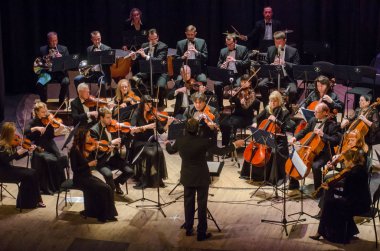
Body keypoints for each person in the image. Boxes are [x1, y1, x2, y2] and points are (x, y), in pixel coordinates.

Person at [165, 118, 245, 241]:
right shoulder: (204, 142)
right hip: (202, 177)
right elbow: (221, 152)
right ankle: (201, 234)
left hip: (187, 176)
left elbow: (170, 151)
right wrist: (235, 145)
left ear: (186, 129)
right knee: (202, 205)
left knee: (188, 203)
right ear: (198, 129)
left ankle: (189, 228)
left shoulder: (180, 140)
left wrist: (167, 144)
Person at [309, 130, 371, 244]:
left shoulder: (357, 163)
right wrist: (334, 168)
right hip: (359, 197)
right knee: (330, 196)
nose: (350, 142)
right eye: (349, 140)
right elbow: (348, 180)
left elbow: (348, 190)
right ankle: (348, 231)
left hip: (357, 202)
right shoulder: (356, 168)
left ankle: (324, 232)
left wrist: (332, 188)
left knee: (329, 202)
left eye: (353, 140)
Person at [240, 91, 290, 185]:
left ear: (279, 101)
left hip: (279, 140)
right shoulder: (267, 109)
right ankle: (249, 174)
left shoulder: (284, 112)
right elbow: (256, 118)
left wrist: (277, 121)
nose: (272, 103)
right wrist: (255, 122)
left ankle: (270, 179)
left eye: (275, 101)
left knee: (274, 153)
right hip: (265, 139)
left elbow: (285, 129)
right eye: (271, 101)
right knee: (253, 149)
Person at [289, 103, 341, 191]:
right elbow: (304, 131)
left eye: (317, 112)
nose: (314, 114)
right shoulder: (313, 120)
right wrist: (295, 137)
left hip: (324, 152)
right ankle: (294, 184)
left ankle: (318, 189)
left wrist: (323, 134)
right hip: (309, 150)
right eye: (315, 111)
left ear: (325, 112)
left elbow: (335, 140)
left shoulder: (332, 124)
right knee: (294, 158)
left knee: (315, 166)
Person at [69, 127, 118, 222]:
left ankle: (108, 214)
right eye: (88, 136)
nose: (90, 138)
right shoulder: (74, 151)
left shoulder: (86, 148)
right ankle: (102, 215)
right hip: (80, 179)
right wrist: (88, 164)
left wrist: (107, 152)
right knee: (104, 188)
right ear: (82, 137)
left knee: (107, 187)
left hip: (88, 176)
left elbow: (98, 162)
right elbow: (75, 170)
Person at [130, 95, 174, 188]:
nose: (149, 105)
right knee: (148, 153)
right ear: (142, 104)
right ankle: (144, 179)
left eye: (150, 103)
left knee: (159, 151)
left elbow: (161, 131)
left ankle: (158, 178)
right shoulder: (137, 113)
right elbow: (132, 130)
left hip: (151, 140)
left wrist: (168, 124)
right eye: (147, 103)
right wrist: (146, 127)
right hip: (139, 141)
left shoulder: (153, 114)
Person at [25, 102, 68, 194]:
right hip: (39, 146)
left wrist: (60, 129)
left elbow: (52, 135)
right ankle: (49, 187)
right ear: (37, 112)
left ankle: (60, 184)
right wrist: (37, 128)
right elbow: (25, 131)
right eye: (42, 112)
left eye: (46, 111)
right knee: (49, 160)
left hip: (50, 144)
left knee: (60, 158)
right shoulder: (33, 122)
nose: (45, 114)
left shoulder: (48, 120)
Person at [89, 107, 134, 195]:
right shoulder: (94, 130)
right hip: (101, 160)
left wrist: (130, 133)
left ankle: (116, 183)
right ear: (101, 118)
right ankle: (110, 189)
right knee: (109, 175)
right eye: (108, 118)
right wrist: (110, 144)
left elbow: (122, 141)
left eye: (111, 117)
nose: (111, 120)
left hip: (113, 158)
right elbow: (95, 150)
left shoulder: (113, 127)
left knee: (130, 172)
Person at [0, 122, 45, 209]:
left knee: (33, 172)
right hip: (3, 172)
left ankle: (36, 200)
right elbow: (5, 161)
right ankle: (24, 203)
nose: (15, 135)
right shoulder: (2, 145)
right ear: (8, 134)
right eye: (13, 133)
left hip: (8, 169)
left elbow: (16, 158)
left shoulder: (10, 143)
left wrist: (27, 151)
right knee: (29, 175)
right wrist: (18, 152)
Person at [256, 31, 300, 107]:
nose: (278, 45)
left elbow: (296, 66)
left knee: (293, 91)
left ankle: (287, 108)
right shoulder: (270, 49)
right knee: (261, 85)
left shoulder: (293, 51)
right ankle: (267, 106)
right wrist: (271, 65)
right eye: (276, 43)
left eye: (280, 43)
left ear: (285, 40)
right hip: (273, 77)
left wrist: (284, 63)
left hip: (287, 78)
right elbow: (266, 64)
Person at [131, 29, 168, 108]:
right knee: (134, 79)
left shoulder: (163, 46)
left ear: (157, 38)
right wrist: (134, 57)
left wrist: (146, 56)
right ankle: (145, 99)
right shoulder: (144, 45)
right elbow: (138, 58)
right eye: (151, 39)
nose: (152, 41)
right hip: (147, 71)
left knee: (160, 86)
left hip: (160, 72)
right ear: (148, 38)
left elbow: (159, 60)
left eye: (154, 39)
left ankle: (160, 101)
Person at [220, 74, 260, 146]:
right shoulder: (237, 89)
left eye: (245, 82)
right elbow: (226, 95)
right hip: (236, 114)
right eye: (242, 82)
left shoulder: (252, 93)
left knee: (231, 125)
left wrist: (239, 100)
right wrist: (230, 93)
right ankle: (225, 145)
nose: (243, 84)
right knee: (223, 123)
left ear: (249, 83)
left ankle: (231, 146)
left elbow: (245, 107)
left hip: (246, 117)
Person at [215, 34, 250, 111]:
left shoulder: (243, 49)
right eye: (227, 44)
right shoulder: (223, 51)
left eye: (230, 44)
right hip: (227, 74)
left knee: (238, 85)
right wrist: (223, 65)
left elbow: (247, 63)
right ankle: (220, 106)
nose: (229, 46)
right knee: (217, 84)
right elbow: (219, 64)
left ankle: (238, 108)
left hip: (239, 74)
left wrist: (235, 61)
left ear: (235, 42)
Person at [35, 31, 69, 107]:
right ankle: (44, 102)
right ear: (48, 40)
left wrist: (61, 59)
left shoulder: (64, 49)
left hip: (60, 73)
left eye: (56, 40)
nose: (54, 43)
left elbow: (68, 64)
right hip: (47, 73)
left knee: (66, 82)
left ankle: (61, 101)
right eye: (52, 41)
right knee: (39, 84)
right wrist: (47, 60)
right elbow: (39, 63)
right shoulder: (42, 50)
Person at [74, 31, 112, 97]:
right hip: (92, 73)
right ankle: (81, 99)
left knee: (102, 83)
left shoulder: (107, 49)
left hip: (103, 74)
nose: (97, 41)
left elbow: (111, 64)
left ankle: (103, 102)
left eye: (99, 39)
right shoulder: (89, 49)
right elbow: (87, 62)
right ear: (92, 40)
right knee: (77, 79)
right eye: (95, 40)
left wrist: (102, 56)